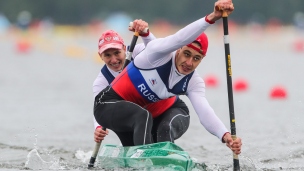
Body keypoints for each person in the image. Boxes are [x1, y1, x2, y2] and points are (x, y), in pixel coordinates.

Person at [94, 0, 242, 155]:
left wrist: (226, 136)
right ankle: (146, 162)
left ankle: (159, 161)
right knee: (143, 116)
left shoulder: (194, 82)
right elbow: (179, 38)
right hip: (106, 105)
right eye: (186, 54)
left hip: (144, 114)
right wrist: (212, 17)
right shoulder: (158, 54)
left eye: (197, 58)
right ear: (178, 50)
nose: (189, 63)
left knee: (158, 130)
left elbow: (205, 112)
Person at [93, 20, 190, 146]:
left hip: (166, 109)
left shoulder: (138, 51)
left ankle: (166, 159)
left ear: (124, 48)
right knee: (138, 122)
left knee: (164, 130)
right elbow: (100, 109)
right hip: (138, 118)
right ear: (100, 56)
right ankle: (140, 159)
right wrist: (98, 128)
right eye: (107, 55)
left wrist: (146, 33)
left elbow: (161, 50)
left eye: (117, 53)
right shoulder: (101, 81)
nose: (114, 60)